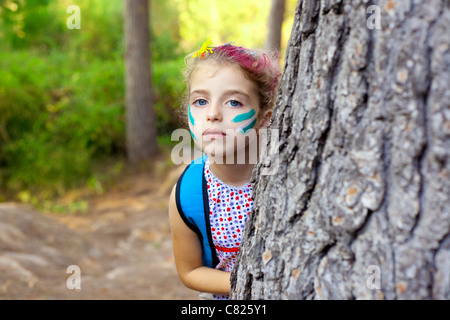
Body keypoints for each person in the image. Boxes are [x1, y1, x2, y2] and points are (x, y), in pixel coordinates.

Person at [168, 38, 281, 300]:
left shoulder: (288, 173)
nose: (213, 114)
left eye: (233, 103)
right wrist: (252, 286)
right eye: (200, 101)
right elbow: (190, 271)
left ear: (264, 117)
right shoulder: (188, 193)